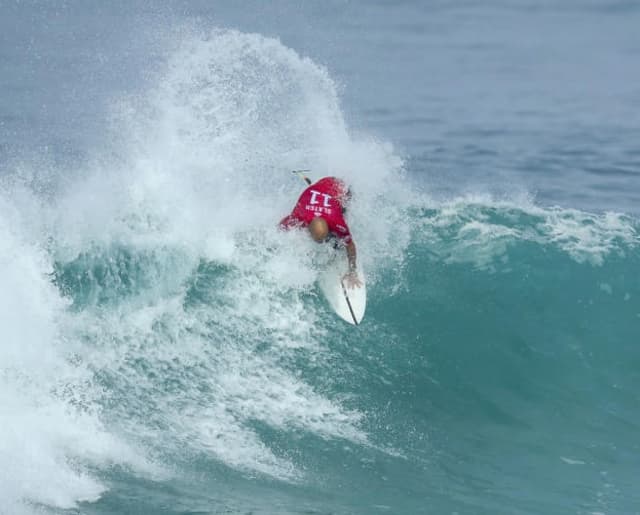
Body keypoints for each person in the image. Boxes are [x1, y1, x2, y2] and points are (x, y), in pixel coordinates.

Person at [280, 176, 362, 288]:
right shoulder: (299, 216)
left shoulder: (336, 220)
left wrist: (352, 271)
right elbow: (281, 228)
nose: (321, 242)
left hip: (339, 187)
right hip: (319, 188)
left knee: (343, 220)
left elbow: (350, 245)